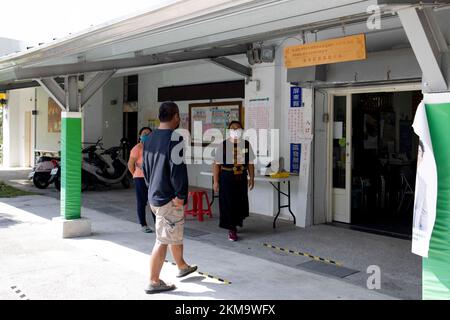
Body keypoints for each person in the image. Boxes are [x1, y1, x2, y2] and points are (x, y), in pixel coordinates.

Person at [142, 101, 197, 294]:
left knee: (171, 232)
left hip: (154, 196)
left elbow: (145, 168)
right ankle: (153, 281)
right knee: (162, 239)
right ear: (175, 117)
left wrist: (151, 189)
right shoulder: (175, 139)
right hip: (169, 198)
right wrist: (181, 195)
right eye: (178, 117)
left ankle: (182, 266)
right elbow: (178, 170)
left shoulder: (148, 139)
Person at [213, 121, 255, 241]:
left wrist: (251, 177)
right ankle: (231, 229)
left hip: (241, 177)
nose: (235, 130)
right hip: (227, 177)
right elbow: (216, 165)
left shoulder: (246, 144)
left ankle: (236, 223)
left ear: (242, 130)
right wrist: (216, 181)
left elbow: (250, 163)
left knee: (240, 202)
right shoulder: (223, 145)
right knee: (229, 203)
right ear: (228, 130)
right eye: (233, 128)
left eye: (238, 128)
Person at [128, 127, 155, 233]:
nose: (147, 135)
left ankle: (158, 224)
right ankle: (143, 225)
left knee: (154, 202)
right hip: (140, 178)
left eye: (149, 134)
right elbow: (130, 164)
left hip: (152, 178)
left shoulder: (154, 147)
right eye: (144, 133)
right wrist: (135, 174)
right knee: (142, 202)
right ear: (140, 136)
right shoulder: (137, 148)